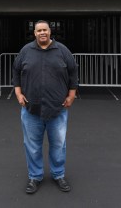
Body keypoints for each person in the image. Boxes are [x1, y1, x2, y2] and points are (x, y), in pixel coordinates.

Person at [12, 20, 78, 194]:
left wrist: (71, 95)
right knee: (32, 146)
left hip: (58, 109)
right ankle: (35, 176)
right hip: (31, 109)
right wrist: (18, 94)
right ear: (34, 33)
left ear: (50, 32)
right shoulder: (26, 51)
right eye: (39, 30)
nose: (42, 32)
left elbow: (73, 73)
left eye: (45, 30)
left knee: (58, 144)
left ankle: (58, 174)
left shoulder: (62, 51)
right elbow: (16, 72)